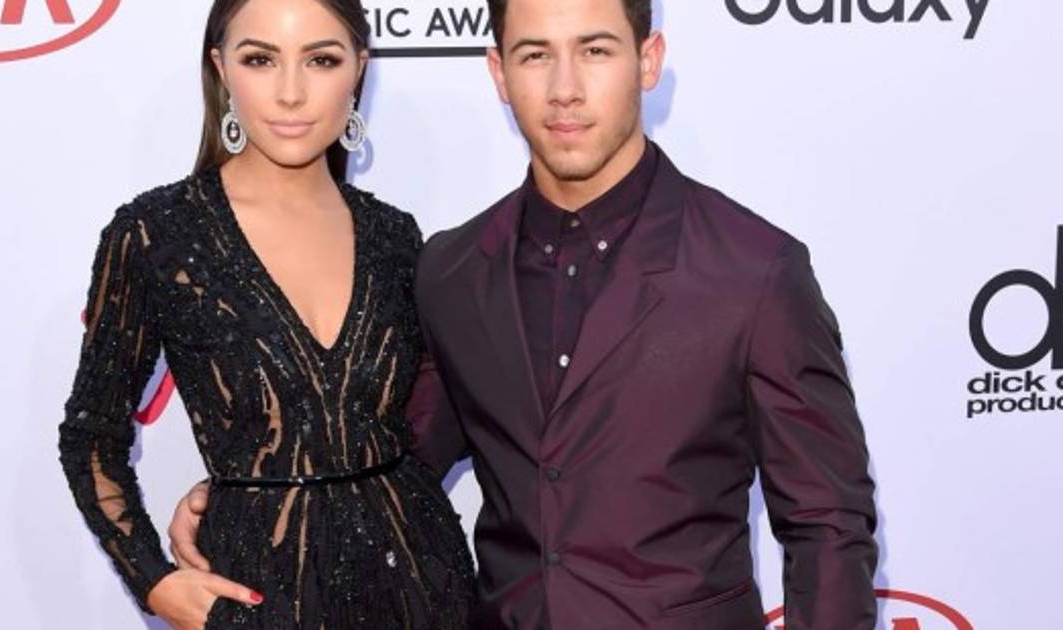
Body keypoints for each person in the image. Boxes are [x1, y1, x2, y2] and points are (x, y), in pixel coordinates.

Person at [170, 0, 879, 627]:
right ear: (499, 73)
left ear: (648, 60)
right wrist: (252, 496)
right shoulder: (451, 270)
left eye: (595, 50)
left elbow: (828, 524)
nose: (565, 88)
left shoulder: (754, 272)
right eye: (536, 55)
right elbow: (390, 461)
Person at [57, 1, 475, 628]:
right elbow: (92, 434)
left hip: (422, 583)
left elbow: (411, 423)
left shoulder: (395, 236)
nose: (291, 92)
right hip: (257, 596)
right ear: (221, 68)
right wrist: (153, 579)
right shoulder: (158, 234)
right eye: (260, 59)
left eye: (321, 60)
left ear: (358, 69)